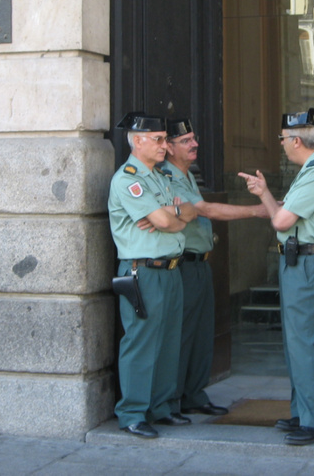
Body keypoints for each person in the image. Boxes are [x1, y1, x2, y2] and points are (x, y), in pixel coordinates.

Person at [238, 108, 314, 446]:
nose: (281, 144)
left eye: (283, 139)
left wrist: (264, 197)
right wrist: (268, 196)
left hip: (310, 264)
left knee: (305, 342)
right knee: (296, 342)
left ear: (296, 140)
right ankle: (302, 412)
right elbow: (286, 213)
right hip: (302, 263)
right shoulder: (312, 169)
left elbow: (282, 221)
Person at [161, 118, 268, 418]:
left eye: (194, 138)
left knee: (200, 335)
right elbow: (204, 209)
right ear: (168, 147)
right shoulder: (167, 176)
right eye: (186, 141)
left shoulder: (187, 175)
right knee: (181, 336)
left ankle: (194, 394)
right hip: (183, 265)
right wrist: (257, 210)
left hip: (201, 264)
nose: (194, 144)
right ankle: (171, 401)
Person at [108, 112, 197, 439]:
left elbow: (189, 210)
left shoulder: (159, 176)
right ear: (137, 141)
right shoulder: (128, 179)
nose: (165, 145)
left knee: (168, 342)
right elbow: (165, 221)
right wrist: (174, 215)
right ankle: (132, 412)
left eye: (164, 139)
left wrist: (176, 213)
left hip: (171, 270)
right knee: (142, 342)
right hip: (143, 272)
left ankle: (161, 407)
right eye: (158, 140)